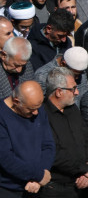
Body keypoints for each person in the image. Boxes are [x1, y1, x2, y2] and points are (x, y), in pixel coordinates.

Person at [0, 81, 55, 196]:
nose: (36, 113)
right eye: (31, 109)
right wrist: (38, 175)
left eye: (38, 107)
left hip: (37, 185)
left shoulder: (36, 107)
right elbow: (5, 158)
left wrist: (41, 174)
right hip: (10, 189)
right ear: (16, 101)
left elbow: (48, 144)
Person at [42, 67, 88, 197]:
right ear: (58, 92)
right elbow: (55, 154)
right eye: (73, 88)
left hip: (80, 182)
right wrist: (84, 170)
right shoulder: (43, 116)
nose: (77, 92)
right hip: (56, 188)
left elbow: (85, 137)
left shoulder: (72, 109)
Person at [0, 37, 35, 113]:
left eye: (22, 65)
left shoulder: (26, 65)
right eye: (16, 65)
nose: (19, 70)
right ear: (3, 56)